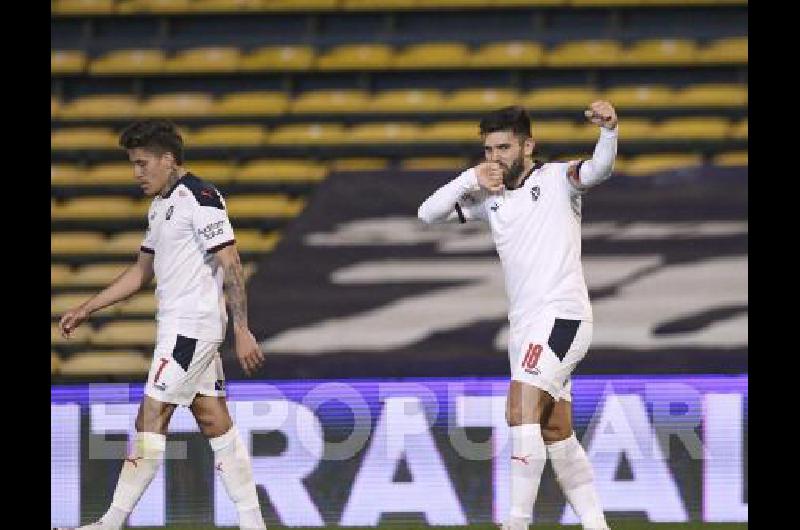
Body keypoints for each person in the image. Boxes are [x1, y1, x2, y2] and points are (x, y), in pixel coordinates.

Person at [56, 119, 267, 530]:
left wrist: (242, 329)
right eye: (133, 164)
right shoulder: (160, 206)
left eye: (143, 163)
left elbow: (231, 262)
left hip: (192, 329)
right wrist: (87, 307)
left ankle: (111, 523)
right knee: (212, 419)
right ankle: (253, 522)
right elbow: (140, 273)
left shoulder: (201, 197)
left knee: (151, 415)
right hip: (181, 327)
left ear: (168, 160)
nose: (137, 173)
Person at [418, 102, 618, 530]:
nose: (495, 158)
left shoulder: (556, 180)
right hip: (525, 329)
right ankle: (597, 524)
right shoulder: (489, 201)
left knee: (520, 406)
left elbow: (597, 170)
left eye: (504, 148)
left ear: (528, 146)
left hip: (563, 318)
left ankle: (515, 523)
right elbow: (427, 214)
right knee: (555, 431)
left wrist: (609, 132)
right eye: (489, 150)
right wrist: (470, 178)